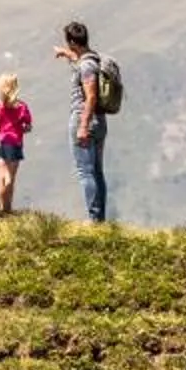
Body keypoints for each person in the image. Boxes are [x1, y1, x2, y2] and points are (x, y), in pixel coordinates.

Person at [55, 20, 108, 223]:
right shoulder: (92, 60)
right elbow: (80, 63)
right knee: (96, 170)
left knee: (85, 171)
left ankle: (94, 219)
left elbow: (91, 96)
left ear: (72, 42)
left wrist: (83, 125)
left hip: (84, 118)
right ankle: (99, 217)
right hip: (99, 121)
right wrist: (66, 55)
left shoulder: (86, 66)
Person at [0, 71, 33, 214]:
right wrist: (22, 129)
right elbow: (28, 126)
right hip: (15, 143)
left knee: (0, 175)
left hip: (0, 141)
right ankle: (8, 207)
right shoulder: (22, 107)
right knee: (10, 177)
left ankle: (0, 206)